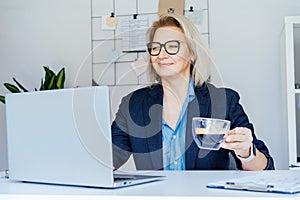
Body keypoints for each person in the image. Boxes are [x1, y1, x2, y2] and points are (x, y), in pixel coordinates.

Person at [111, 13, 274, 171]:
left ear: (192, 53)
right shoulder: (133, 104)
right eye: (155, 47)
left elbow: (265, 168)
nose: (162, 54)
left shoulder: (224, 100)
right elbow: (109, 158)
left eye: (173, 46)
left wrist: (246, 153)